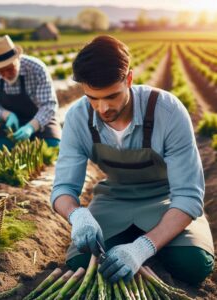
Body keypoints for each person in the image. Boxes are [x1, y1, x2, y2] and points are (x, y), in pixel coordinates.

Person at [50, 35, 215, 285]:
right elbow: (63, 188)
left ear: (129, 79)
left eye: (112, 96)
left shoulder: (168, 112)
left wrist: (143, 247)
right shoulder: (76, 118)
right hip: (114, 197)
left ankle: (151, 244)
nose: (103, 108)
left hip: (165, 199)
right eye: (93, 98)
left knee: (194, 265)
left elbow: (188, 196)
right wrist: (77, 216)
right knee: (81, 264)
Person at [0, 35, 61, 154]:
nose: (6, 74)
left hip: (42, 121)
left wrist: (31, 127)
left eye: (10, 69)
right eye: (1, 71)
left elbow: (49, 105)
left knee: (53, 150)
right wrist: (7, 115)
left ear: (17, 59)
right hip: (12, 125)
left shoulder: (36, 69)